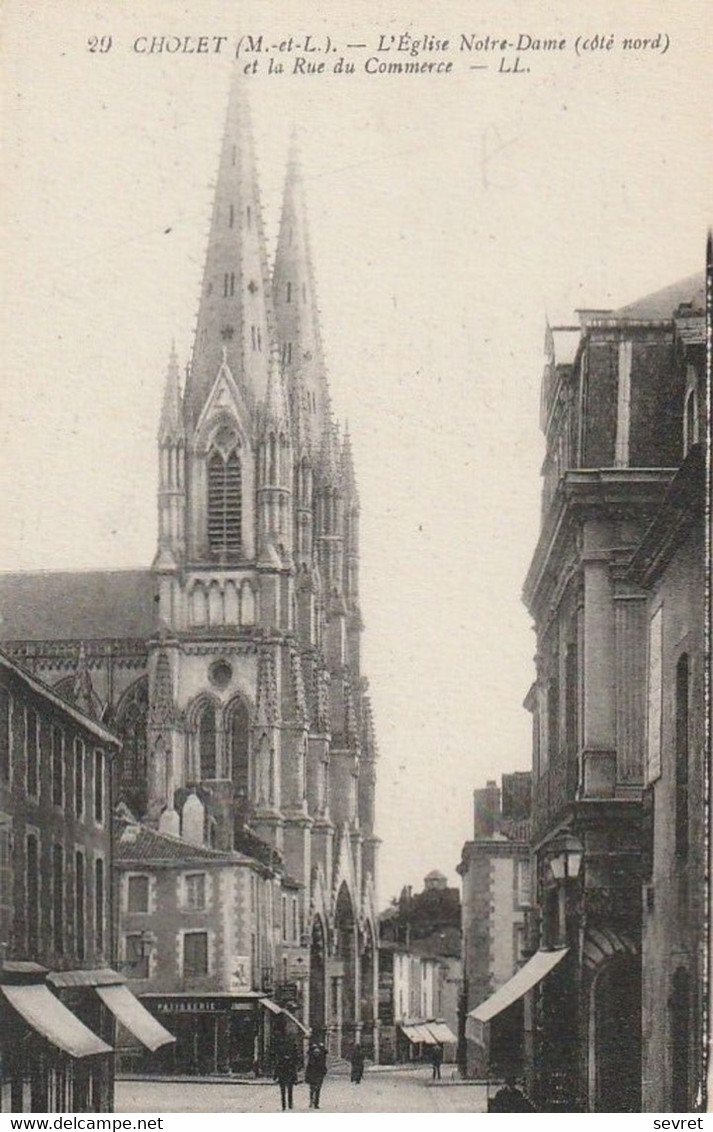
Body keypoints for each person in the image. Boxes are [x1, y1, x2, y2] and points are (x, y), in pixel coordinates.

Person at [274, 1039, 299, 1111]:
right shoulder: (288, 1061)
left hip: (285, 1077)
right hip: (287, 1077)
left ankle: (285, 1105)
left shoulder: (282, 1061)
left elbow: (277, 1068)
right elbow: (278, 1068)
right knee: (288, 1092)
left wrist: (275, 1077)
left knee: (284, 1092)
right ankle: (287, 1105)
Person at [305, 1036, 328, 1109]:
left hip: (317, 1075)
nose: (316, 1053)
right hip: (315, 1075)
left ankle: (315, 1103)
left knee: (317, 1089)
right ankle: (313, 1101)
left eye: (317, 1052)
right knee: (314, 1089)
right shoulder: (314, 1059)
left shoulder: (319, 1059)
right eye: (315, 1052)